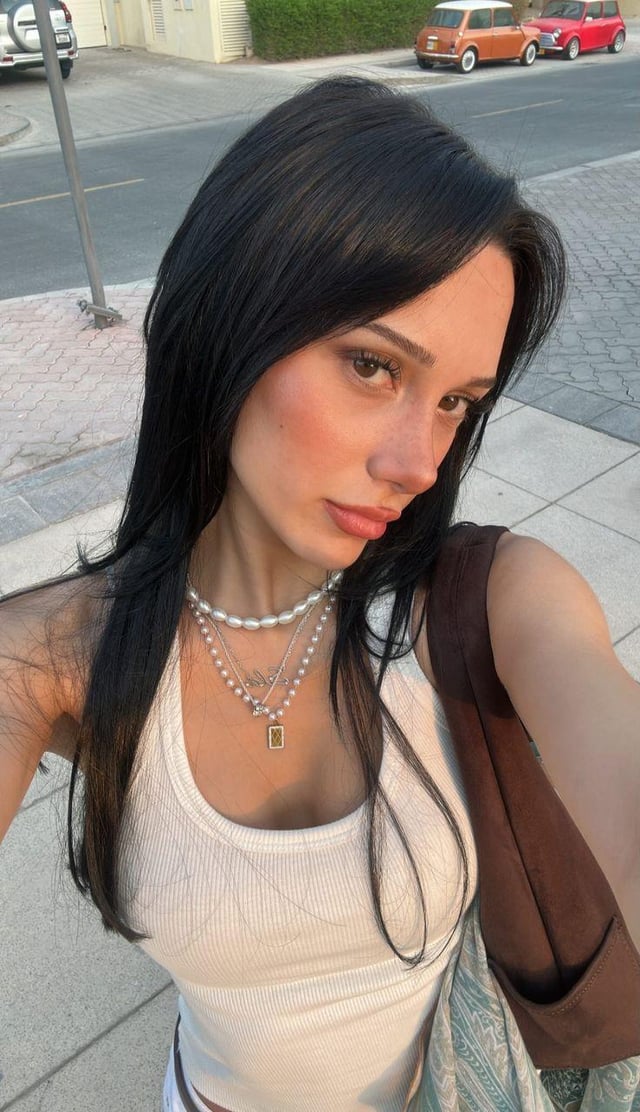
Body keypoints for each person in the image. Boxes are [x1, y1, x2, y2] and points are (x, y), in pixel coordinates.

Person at [1, 76, 638, 1112]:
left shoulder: (489, 601)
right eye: (373, 366)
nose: (419, 463)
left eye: (456, 402)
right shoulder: (50, 658)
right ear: (230, 318)